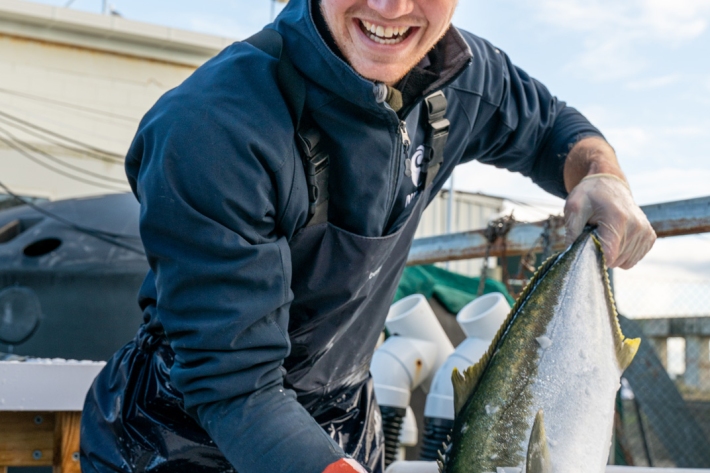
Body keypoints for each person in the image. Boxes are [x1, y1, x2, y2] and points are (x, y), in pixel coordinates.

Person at [80, 0, 656, 472]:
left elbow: (554, 129)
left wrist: (602, 174)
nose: (392, 7)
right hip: (183, 434)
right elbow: (233, 387)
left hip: (347, 425)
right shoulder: (213, 127)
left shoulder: (461, 73)